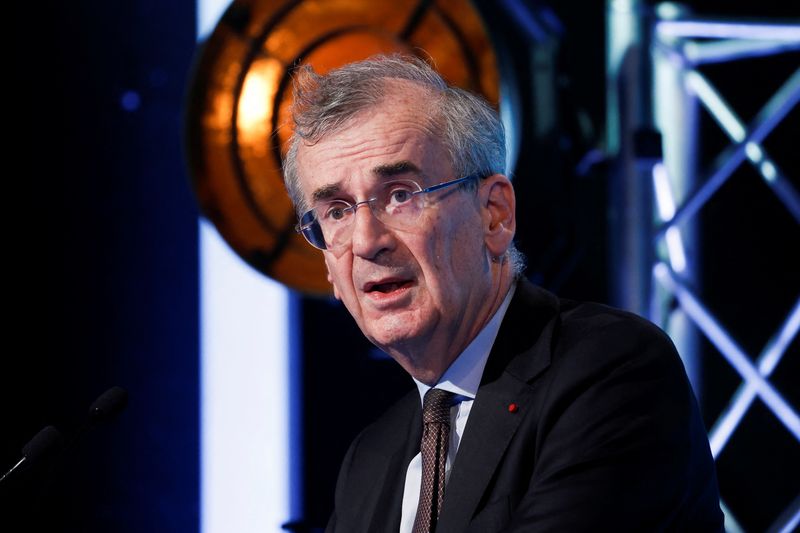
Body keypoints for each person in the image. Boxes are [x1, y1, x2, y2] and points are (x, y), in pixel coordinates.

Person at [282, 55, 723, 532]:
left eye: (401, 194)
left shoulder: (610, 373)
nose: (367, 241)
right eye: (337, 212)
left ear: (494, 215)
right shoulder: (371, 461)